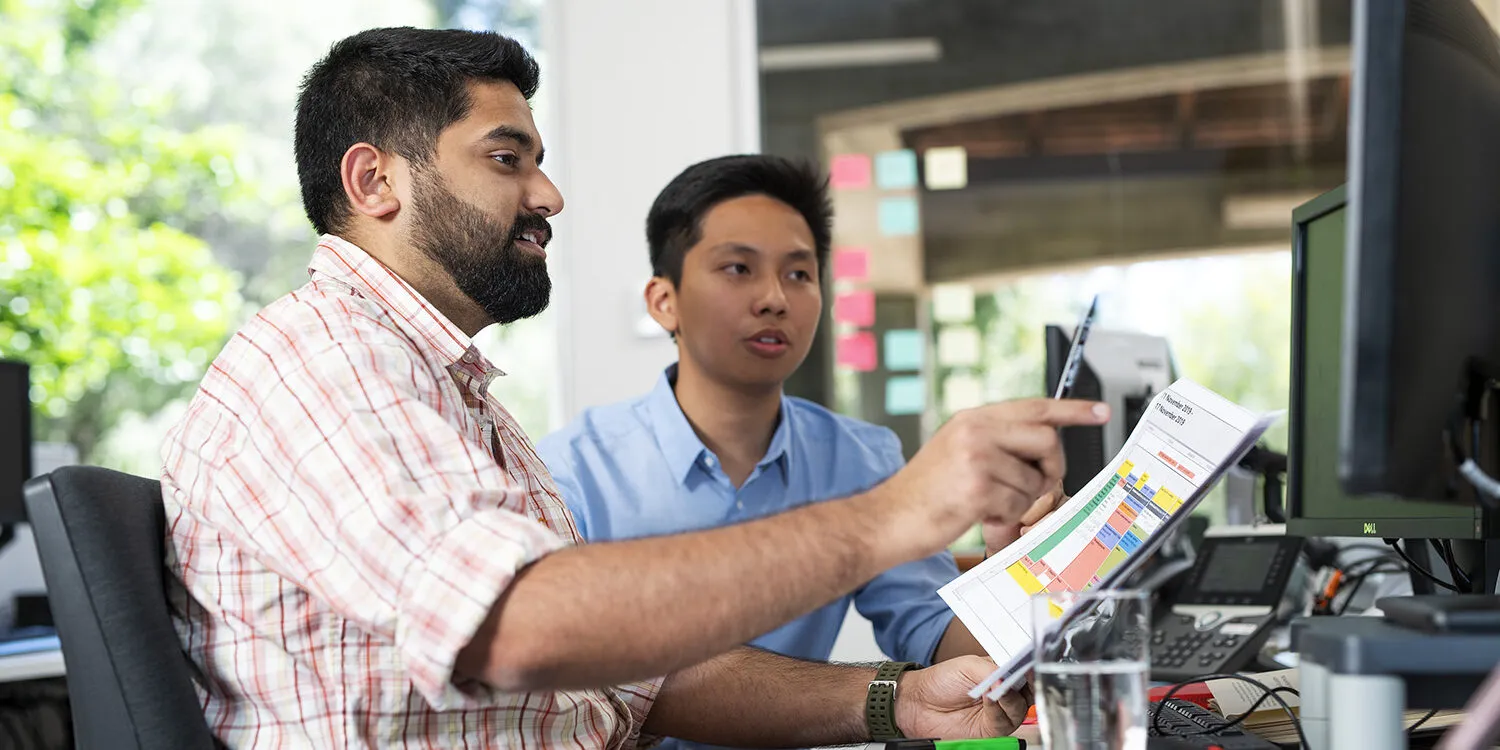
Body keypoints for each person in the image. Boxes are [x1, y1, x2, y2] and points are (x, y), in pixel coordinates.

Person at [160, 27, 1110, 748]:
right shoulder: (328, 368)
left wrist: (891, 699)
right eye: (507, 158)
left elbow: (624, 677)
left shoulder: (444, 391)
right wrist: (892, 515)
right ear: (374, 181)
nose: (550, 195)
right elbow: (526, 628)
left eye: (800, 272)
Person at [537, 156, 1056, 750]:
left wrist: (1016, 572)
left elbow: (940, 641)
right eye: (738, 268)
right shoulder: (571, 472)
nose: (774, 298)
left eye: (800, 275)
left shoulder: (861, 457)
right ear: (664, 301)